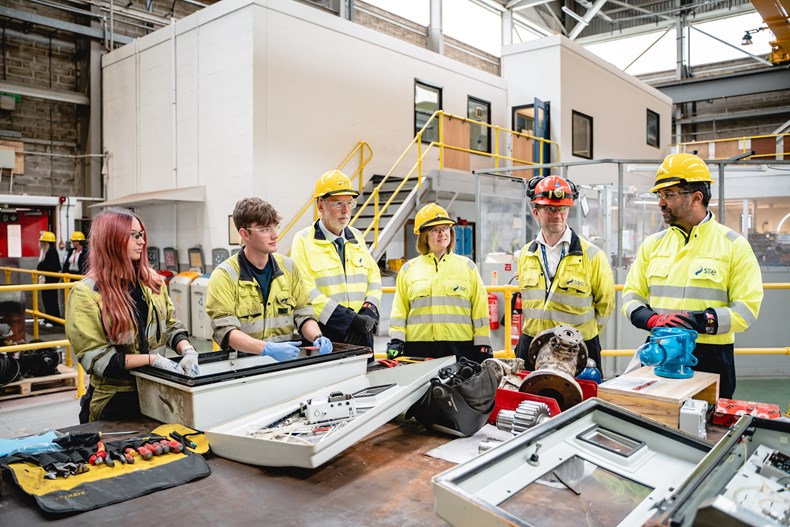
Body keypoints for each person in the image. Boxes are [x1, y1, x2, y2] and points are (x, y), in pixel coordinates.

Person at [622, 153, 763, 399]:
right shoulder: (652, 245)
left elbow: (746, 311)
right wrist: (653, 320)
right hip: (659, 351)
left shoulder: (733, 246)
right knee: (653, 419)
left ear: (696, 198)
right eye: (660, 195)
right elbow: (631, 296)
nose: (661, 203)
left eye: (669, 195)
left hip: (711, 358)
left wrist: (696, 321)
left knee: (709, 430)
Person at [65, 208, 199, 423]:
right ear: (112, 240)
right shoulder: (86, 294)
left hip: (157, 395)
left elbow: (171, 325)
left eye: (142, 235)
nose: (142, 242)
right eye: (134, 235)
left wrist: (188, 350)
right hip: (115, 402)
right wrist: (152, 360)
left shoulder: (151, 282)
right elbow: (96, 359)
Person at [206, 197, 331, 360]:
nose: (275, 235)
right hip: (243, 368)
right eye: (265, 229)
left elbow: (303, 313)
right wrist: (266, 348)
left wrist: (317, 336)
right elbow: (226, 330)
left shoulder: (289, 269)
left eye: (275, 227)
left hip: (283, 363)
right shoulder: (224, 276)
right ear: (244, 234)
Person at [514, 175, 615, 371]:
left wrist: (583, 335)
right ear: (536, 212)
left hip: (577, 346)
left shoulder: (592, 255)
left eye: (563, 209)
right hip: (533, 344)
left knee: (581, 401)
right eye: (551, 209)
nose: (558, 215)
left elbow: (606, 305)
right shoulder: (527, 254)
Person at [387, 203, 492, 362]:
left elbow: (480, 309)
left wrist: (483, 344)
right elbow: (399, 311)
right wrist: (397, 340)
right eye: (434, 230)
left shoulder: (467, 267)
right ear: (424, 236)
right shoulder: (409, 270)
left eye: (445, 228)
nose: (441, 233)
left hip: (460, 347)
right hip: (419, 348)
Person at [291, 170, 382, 351]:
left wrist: (368, 311)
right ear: (320, 205)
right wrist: (348, 320)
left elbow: (374, 278)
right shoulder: (303, 241)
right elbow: (305, 291)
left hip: (362, 330)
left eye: (349, 203)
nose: (346, 210)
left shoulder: (357, 237)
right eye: (338, 203)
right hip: (325, 334)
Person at [36, 231, 61, 328]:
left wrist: (41, 267)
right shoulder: (46, 251)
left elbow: (51, 266)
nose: (40, 244)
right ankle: (47, 317)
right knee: (46, 299)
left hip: (51, 279)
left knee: (51, 299)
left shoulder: (51, 251)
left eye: (42, 242)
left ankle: (54, 319)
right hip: (47, 279)